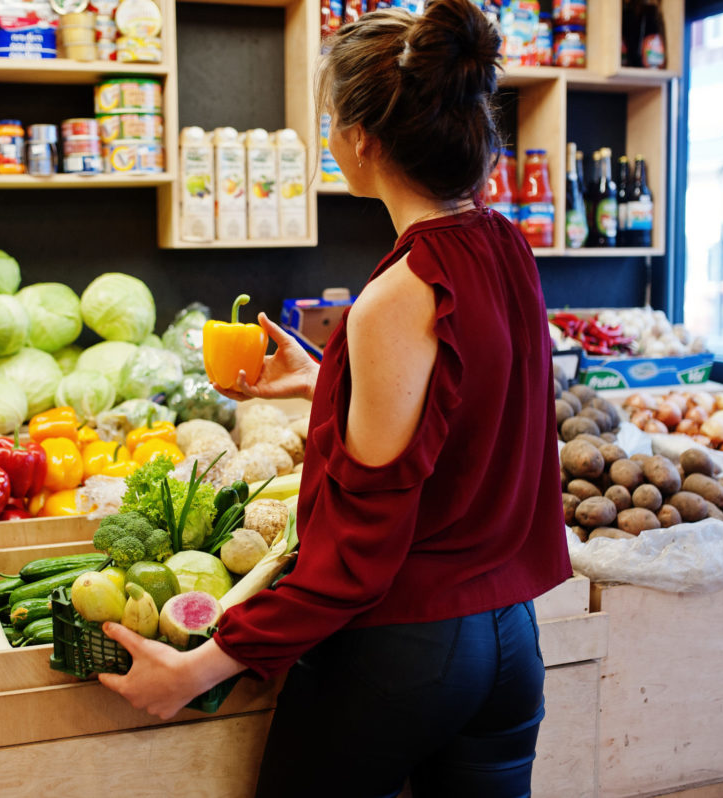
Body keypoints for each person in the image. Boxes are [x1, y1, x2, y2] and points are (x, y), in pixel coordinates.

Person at [98, 0, 572, 794]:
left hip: (405, 659)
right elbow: (466, 417)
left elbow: (356, 554)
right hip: (511, 647)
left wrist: (197, 669)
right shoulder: (505, 245)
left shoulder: (397, 294)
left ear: (361, 140)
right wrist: (330, 379)